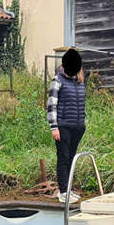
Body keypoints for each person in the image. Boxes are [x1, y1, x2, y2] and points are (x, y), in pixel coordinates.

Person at [46, 48, 86, 202]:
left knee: (71, 158)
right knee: (63, 158)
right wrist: (54, 127)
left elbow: (81, 104)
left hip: (77, 126)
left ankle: (68, 189)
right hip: (63, 126)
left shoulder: (79, 82)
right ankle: (63, 192)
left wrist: (83, 121)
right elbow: (51, 105)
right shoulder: (57, 81)